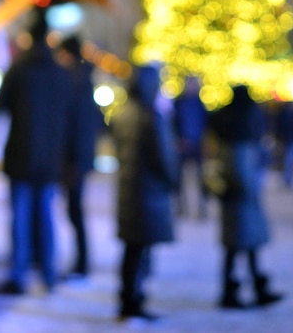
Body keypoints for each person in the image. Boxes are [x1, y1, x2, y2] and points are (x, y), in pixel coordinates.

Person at [0, 10, 75, 294]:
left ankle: (18, 274)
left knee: (20, 216)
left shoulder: (18, 70)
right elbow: (70, 119)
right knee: (45, 215)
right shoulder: (60, 73)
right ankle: (48, 273)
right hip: (49, 159)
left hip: (20, 155)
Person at [110, 65, 179, 322]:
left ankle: (128, 297)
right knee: (141, 250)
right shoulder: (151, 117)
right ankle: (133, 300)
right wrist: (173, 180)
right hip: (148, 193)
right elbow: (163, 157)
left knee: (132, 249)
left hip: (129, 190)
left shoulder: (124, 114)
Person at [210, 85, 283, 309]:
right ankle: (236, 292)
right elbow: (242, 175)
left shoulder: (226, 125)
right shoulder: (240, 135)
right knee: (242, 246)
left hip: (235, 202)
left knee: (239, 248)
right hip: (242, 202)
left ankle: (243, 289)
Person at [57, 35, 105, 280]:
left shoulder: (75, 83)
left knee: (75, 211)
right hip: (80, 158)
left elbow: (76, 127)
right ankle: (81, 262)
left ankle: (82, 263)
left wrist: (74, 160)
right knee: (75, 211)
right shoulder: (84, 82)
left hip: (75, 160)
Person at [173, 76, 209, 218]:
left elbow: (205, 124)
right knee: (180, 179)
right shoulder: (179, 103)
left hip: (198, 144)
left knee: (201, 178)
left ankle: (202, 207)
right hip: (182, 145)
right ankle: (181, 206)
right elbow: (174, 123)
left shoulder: (201, 105)